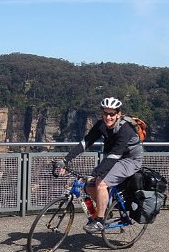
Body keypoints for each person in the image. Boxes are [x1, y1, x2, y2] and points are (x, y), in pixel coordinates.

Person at [60, 97, 143, 233]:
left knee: (100, 183)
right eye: (105, 113)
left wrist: (94, 174)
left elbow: (115, 155)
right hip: (113, 157)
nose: (108, 117)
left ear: (118, 114)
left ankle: (99, 220)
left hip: (130, 159)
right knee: (88, 185)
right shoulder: (101, 125)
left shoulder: (125, 129)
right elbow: (85, 143)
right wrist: (65, 160)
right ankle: (105, 209)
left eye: (111, 114)